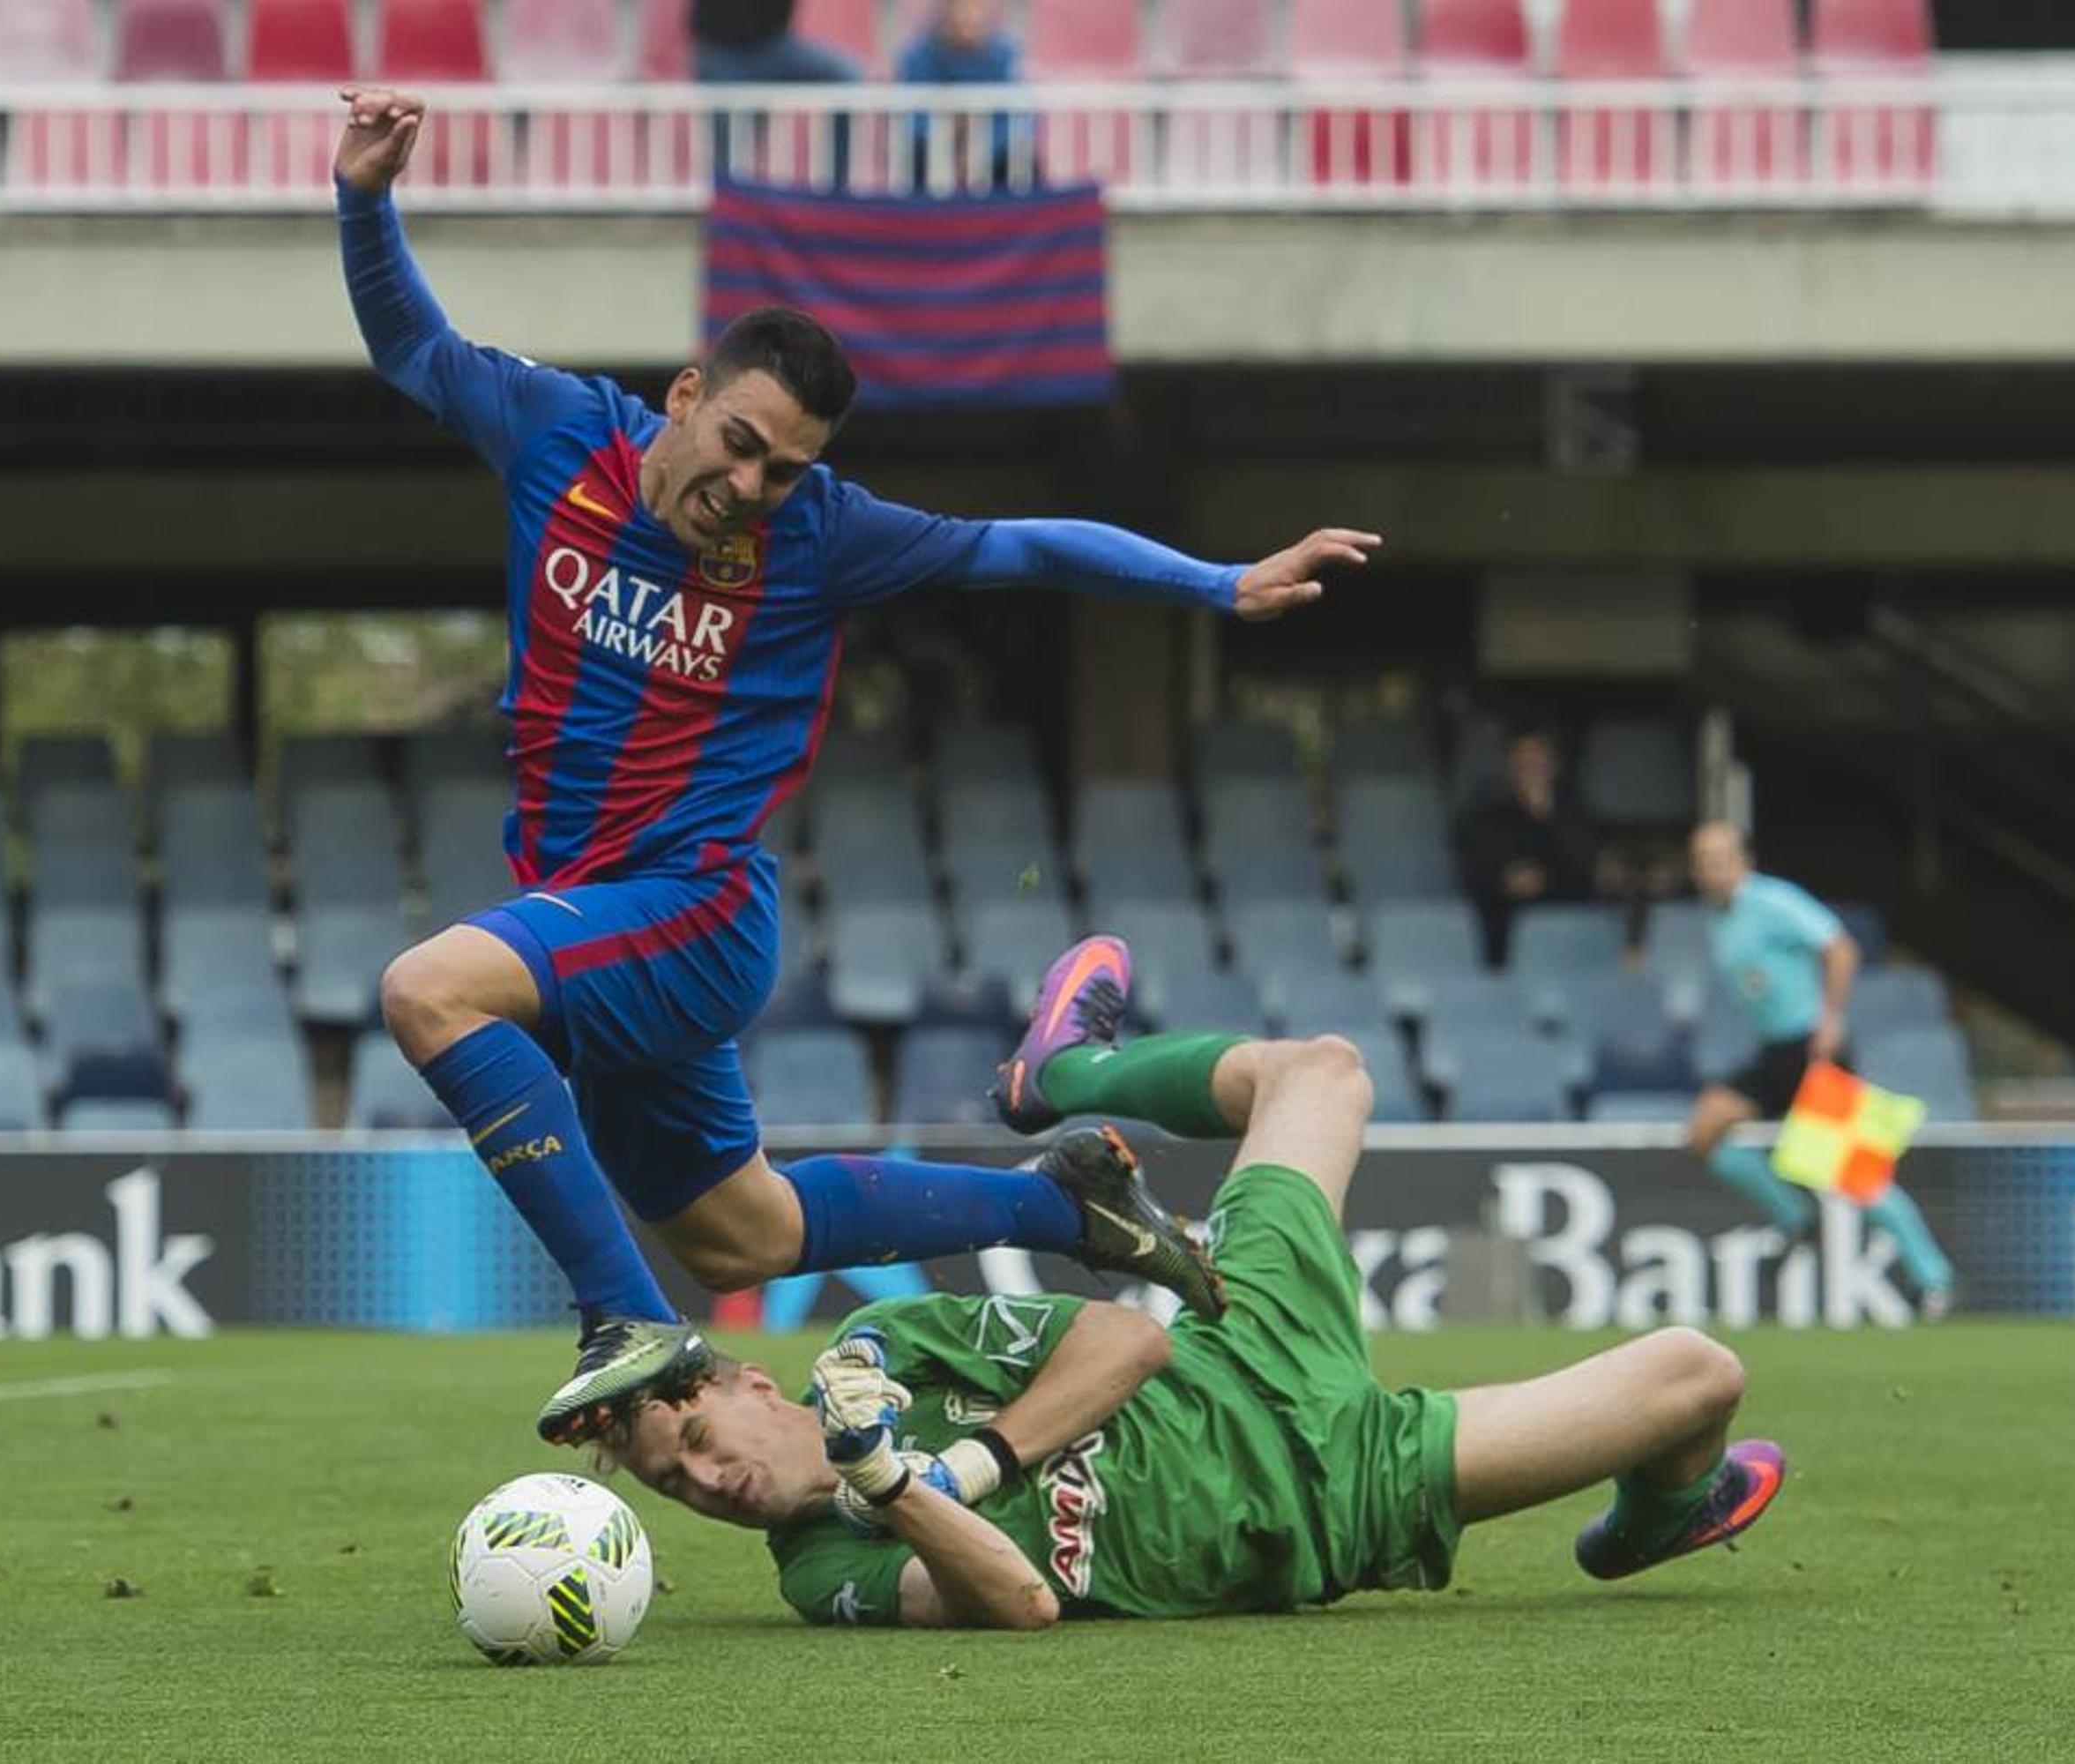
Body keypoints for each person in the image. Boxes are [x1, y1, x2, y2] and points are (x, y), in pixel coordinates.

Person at [331, 90, 1383, 1446]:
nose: (757, 484)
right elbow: (411, 342)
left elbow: (1027, 546)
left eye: (789, 468)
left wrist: (1221, 581)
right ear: (687, 397)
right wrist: (365, 197)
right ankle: (1065, 1203)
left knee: (429, 991)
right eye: (743, 445)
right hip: (598, 911)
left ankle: (617, 1317)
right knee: (741, 1232)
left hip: (695, 910)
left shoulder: (823, 537)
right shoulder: (553, 435)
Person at [600, 937, 1788, 1628]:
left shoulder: (892, 1346)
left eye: (698, 1437)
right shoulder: (822, 1571)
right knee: (1701, 1373)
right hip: (1339, 1496)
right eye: (680, 1488)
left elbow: (1133, 1348)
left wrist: (962, 1461)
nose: (712, 1481)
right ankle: (1668, 1512)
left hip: (1242, 1345)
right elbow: (1020, 1606)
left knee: (1322, 1070)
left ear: (752, 1382)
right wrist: (892, 1485)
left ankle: (1068, 1073)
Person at [1682, 821, 1955, 1312]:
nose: (1709, 868)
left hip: (1812, 1048)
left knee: (1857, 1174)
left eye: (1719, 857)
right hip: (1773, 1052)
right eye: (1702, 859)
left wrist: (1831, 1018)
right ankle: (1795, 1219)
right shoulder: (1719, 919)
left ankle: (1934, 1277)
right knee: (1704, 1131)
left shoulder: (1771, 902)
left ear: (1745, 861)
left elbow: (1839, 946)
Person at [1456, 728, 1602, 956]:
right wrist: (1506, 882)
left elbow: (1587, 865)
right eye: (1523, 766)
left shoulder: (1574, 815)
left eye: (1539, 764)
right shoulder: (1490, 818)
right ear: (1510, 771)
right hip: (1513, 933)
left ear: (1554, 767)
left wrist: (1547, 817)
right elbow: (1485, 876)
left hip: (1573, 928)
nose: (1532, 773)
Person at [896, 0, 1028, 191]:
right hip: (933, 154)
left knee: (1020, 156)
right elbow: (912, 120)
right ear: (945, 10)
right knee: (918, 155)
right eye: (961, 7)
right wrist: (946, 146)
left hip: (991, 156)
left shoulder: (1004, 55)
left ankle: (1016, 215)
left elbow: (1018, 120)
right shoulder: (917, 56)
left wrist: (979, 151)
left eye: (976, 7)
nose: (969, 16)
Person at [690, 0, 861, 84]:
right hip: (722, 53)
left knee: (846, 78)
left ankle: (839, 155)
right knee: (729, 136)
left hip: (775, 46)